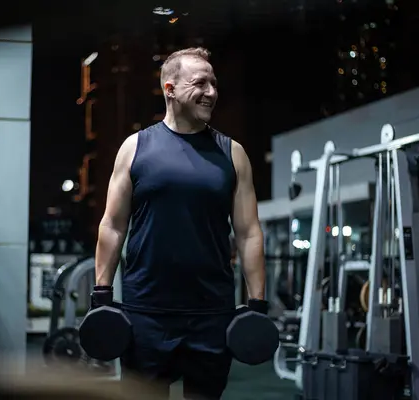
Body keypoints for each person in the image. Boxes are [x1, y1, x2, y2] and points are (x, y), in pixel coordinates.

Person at [93, 47, 267, 399]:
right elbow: (112, 224)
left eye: (214, 84)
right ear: (169, 89)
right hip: (146, 313)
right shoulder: (135, 147)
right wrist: (101, 293)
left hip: (212, 314)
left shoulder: (233, 153)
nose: (212, 92)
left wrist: (257, 304)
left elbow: (249, 233)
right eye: (200, 83)